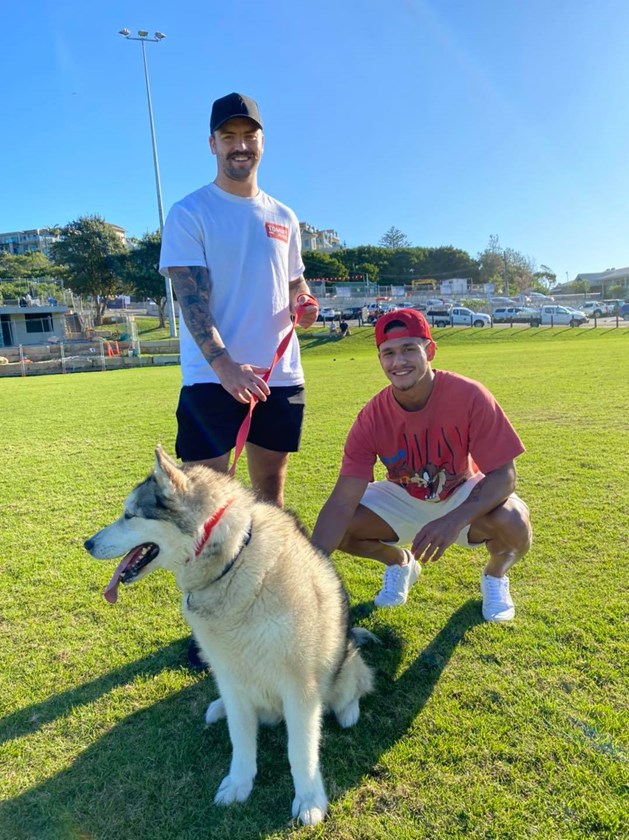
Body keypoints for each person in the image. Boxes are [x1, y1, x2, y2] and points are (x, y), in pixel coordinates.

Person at [159, 92, 318, 668]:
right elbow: (190, 298)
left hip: (279, 377)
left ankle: (259, 608)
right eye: (228, 137)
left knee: (268, 498)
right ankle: (210, 626)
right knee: (206, 507)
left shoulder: (285, 216)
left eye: (248, 135)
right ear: (212, 145)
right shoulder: (191, 212)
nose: (240, 146)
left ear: (261, 142)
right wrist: (224, 365)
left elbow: (294, 285)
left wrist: (305, 304)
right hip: (212, 379)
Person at [311, 308, 531, 622]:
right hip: (403, 495)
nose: (398, 362)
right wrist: (308, 566)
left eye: (408, 349)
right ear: (380, 360)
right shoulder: (371, 418)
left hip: (459, 490)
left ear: (430, 350)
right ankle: (400, 562)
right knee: (340, 526)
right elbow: (342, 502)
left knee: (514, 521)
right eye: (388, 353)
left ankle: (495, 577)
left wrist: (454, 519)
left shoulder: (469, 395)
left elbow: (505, 476)